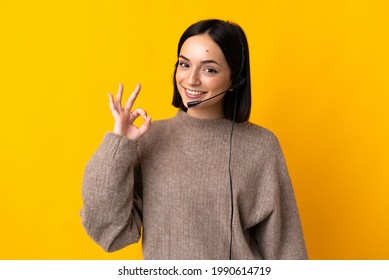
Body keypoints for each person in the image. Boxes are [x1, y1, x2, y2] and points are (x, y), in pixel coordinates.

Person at [81, 19, 308, 260]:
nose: (191, 80)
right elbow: (107, 231)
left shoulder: (261, 146)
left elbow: (287, 249)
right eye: (184, 64)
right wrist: (119, 144)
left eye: (209, 69)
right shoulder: (150, 139)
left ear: (235, 79)